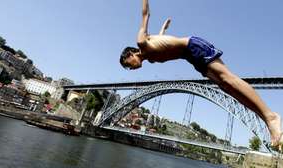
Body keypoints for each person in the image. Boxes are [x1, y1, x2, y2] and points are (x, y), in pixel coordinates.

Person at [119, 0, 282, 151]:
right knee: (226, 87)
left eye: (128, 64)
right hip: (191, 58)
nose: (130, 68)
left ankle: (271, 117)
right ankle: (266, 121)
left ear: (131, 54)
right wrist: (165, 27)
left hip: (193, 46)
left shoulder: (141, 41)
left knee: (227, 78)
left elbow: (145, 14)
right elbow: (161, 39)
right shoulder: (151, 58)